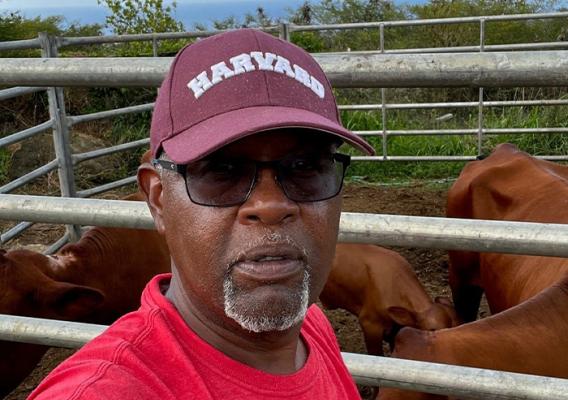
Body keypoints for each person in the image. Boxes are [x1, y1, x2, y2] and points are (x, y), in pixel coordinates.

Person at [29, 28, 374, 399]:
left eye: (305, 165)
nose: (271, 205)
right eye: (221, 170)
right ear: (159, 199)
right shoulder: (108, 391)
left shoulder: (311, 327)